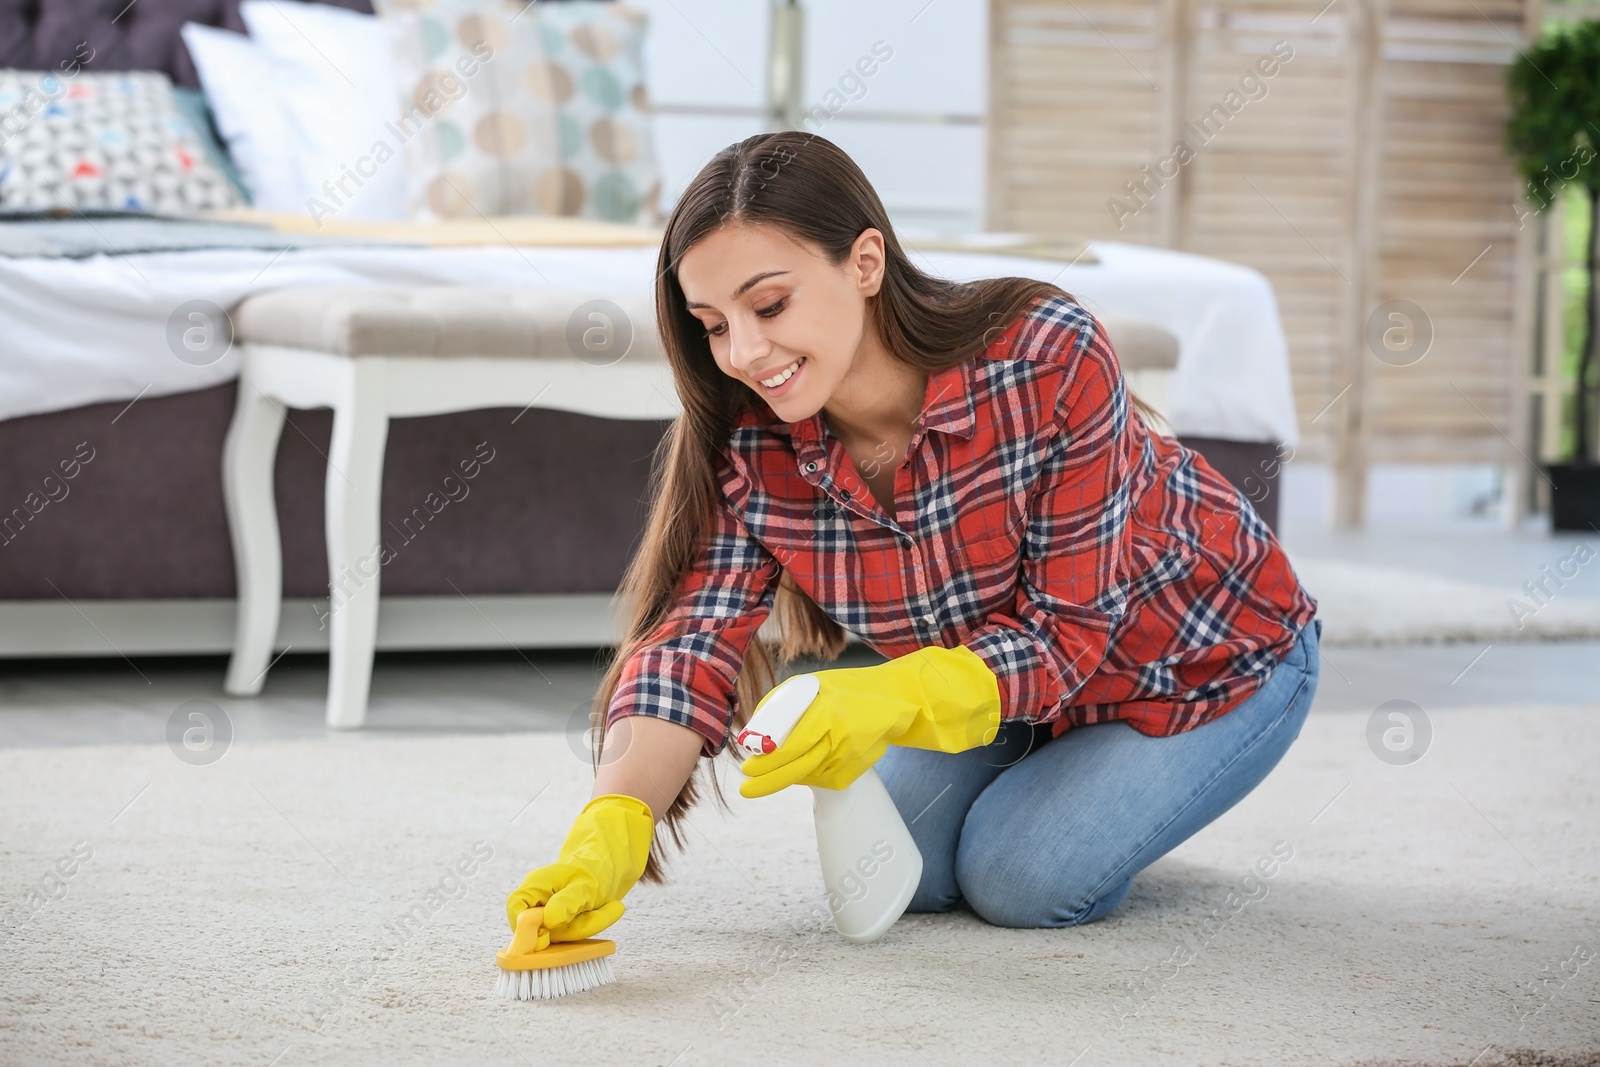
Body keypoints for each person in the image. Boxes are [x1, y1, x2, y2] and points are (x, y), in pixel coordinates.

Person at [504, 131, 1319, 946]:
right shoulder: (752, 438)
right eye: (713, 324)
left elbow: (1070, 635)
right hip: (1009, 692)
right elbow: (693, 640)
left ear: (865, 264)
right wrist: (615, 817)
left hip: (1208, 658)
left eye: (771, 304)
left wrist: (890, 697)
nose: (744, 353)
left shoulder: (1046, 352)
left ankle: (1128, 794)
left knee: (1017, 878)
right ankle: (1077, 787)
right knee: (909, 874)